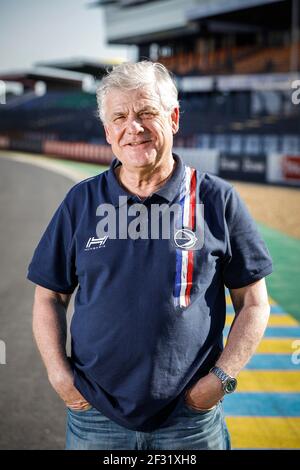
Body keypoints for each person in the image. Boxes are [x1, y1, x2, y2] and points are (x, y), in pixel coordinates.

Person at [27, 61, 273, 450]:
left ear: (173, 118)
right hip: (95, 418)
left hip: (189, 421)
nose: (133, 128)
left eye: (146, 113)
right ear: (108, 132)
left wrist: (220, 380)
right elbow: (48, 296)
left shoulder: (216, 200)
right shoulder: (81, 201)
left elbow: (254, 303)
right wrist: (60, 376)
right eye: (120, 117)